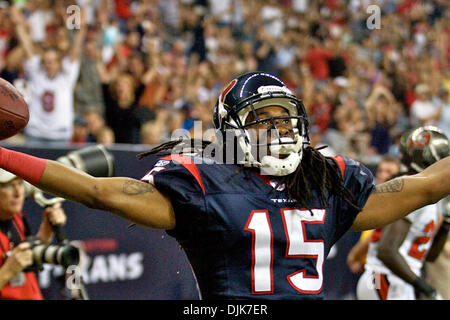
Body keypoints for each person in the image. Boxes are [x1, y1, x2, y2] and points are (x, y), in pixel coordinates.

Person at [0, 72, 449, 300]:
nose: (280, 129)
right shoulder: (206, 182)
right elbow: (98, 192)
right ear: (232, 131)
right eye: (263, 119)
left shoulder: (327, 181)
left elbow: (427, 186)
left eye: (285, 116)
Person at [356, 126, 450, 300]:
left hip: (395, 279)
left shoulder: (428, 195)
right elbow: (386, 250)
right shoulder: (411, 191)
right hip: (385, 278)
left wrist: (445, 224)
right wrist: (424, 288)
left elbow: (429, 256)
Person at [10, 5, 86, 145]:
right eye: (46, 61)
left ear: (59, 63)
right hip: (35, 134)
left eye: (52, 62)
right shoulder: (36, 74)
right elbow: (27, 48)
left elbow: (75, 52)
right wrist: (19, 26)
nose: (48, 64)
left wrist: (81, 31)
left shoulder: (66, 76)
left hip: (60, 135)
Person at [0, 169, 67, 300]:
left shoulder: (16, 216)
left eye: (20, 184)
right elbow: (14, 265)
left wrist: (45, 233)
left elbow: (25, 258)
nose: (18, 193)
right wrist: (7, 272)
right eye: (8, 185)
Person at [346, 156, 401, 274]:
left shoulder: (395, 203)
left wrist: (354, 255)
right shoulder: (373, 197)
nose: (382, 175)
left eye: (388, 172)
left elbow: (376, 235)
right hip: (368, 265)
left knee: (376, 289)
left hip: (381, 270)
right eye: (380, 171)